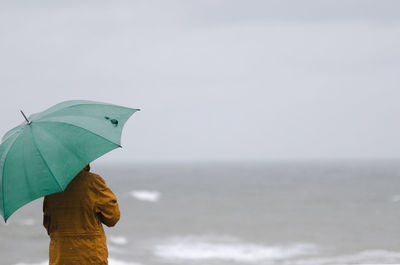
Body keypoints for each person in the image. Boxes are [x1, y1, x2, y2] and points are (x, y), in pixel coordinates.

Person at [43, 164, 120, 265]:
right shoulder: (93, 182)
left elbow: (48, 225)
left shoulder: (53, 187)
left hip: (60, 256)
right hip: (91, 257)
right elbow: (112, 217)